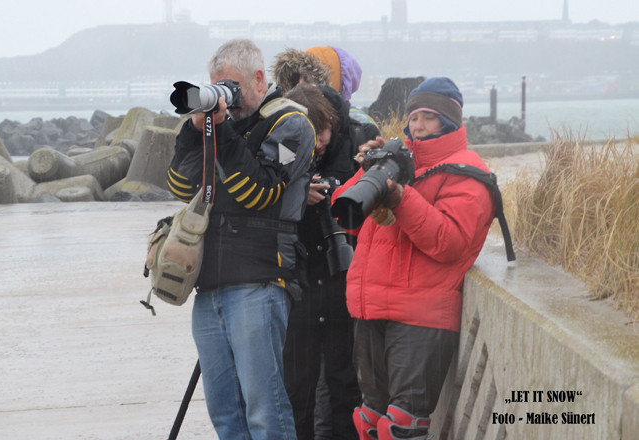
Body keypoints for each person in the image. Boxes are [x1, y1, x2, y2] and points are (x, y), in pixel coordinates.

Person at [166, 38, 316, 440]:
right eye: (217, 87)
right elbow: (180, 185)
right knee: (225, 413)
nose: (225, 98)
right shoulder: (220, 126)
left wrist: (224, 130)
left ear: (259, 78)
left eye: (230, 87)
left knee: (264, 410)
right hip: (210, 285)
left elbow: (260, 192)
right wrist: (198, 130)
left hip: (259, 282)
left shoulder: (293, 126)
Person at [332, 77, 496, 440]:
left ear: (449, 122)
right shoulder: (397, 161)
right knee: (369, 421)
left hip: (420, 316)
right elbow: (344, 216)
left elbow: (449, 242)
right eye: (414, 116)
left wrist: (400, 199)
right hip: (370, 308)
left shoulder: (467, 172)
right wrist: (368, 172)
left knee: (401, 427)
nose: (417, 125)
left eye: (428, 117)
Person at [272, 49, 380, 440]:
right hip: (296, 279)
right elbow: (270, 188)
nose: (315, 144)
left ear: (333, 124)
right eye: (307, 136)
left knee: (344, 382)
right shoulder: (284, 137)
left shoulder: (354, 139)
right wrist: (297, 190)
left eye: (322, 134)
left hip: (341, 276)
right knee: (295, 385)